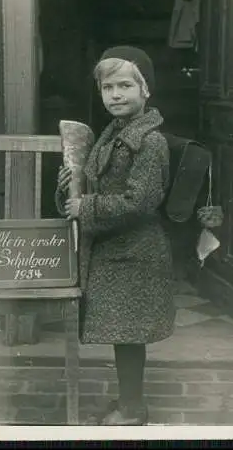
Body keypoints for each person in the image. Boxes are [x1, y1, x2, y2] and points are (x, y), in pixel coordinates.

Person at [56, 46, 176, 425]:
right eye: (108, 87)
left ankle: (133, 410)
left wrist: (87, 207)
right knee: (123, 334)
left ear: (146, 91)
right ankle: (128, 402)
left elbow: (141, 201)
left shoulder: (149, 141)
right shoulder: (111, 136)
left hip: (135, 253)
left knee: (129, 335)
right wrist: (68, 189)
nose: (116, 95)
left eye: (126, 85)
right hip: (114, 250)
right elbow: (93, 183)